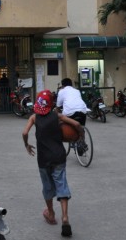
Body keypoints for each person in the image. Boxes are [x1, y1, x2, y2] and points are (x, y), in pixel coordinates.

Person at [22, 89, 84, 237]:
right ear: (51, 104)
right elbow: (76, 124)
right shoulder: (57, 116)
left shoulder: (34, 117)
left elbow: (24, 133)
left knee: (47, 187)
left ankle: (50, 214)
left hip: (43, 159)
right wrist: (80, 136)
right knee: (61, 185)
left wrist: (27, 145)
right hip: (59, 157)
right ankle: (65, 218)